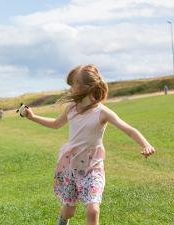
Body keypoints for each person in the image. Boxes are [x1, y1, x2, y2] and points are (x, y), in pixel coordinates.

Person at [20, 64, 155, 225]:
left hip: (93, 168)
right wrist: (33, 117)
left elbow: (128, 129)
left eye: (74, 84)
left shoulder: (102, 112)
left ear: (87, 87)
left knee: (93, 209)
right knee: (69, 210)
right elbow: (56, 124)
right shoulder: (71, 108)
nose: (70, 88)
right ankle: (62, 220)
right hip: (71, 167)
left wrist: (145, 144)